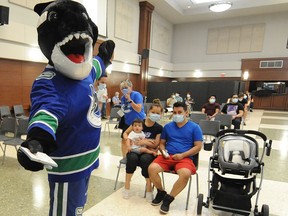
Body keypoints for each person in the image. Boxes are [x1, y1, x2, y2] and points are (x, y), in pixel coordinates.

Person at [16, 1, 116, 215]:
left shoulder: (86, 69)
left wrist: (104, 57)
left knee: (77, 208)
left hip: (88, 159)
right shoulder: (49, 82)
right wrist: (38, 139)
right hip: (69, 167)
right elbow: (46, 113)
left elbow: (96, 66)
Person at [148, 102, 203, 214]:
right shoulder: (168, 127)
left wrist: (183, 155)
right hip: (168, 156)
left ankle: (168, 198)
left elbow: (198, 147)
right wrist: (163, 151)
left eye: (179, 112)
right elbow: (162, 143)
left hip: (185, 157)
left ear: (186, 113)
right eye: (174, 112)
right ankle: (161, 191)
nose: (176, 115)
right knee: (151, 169)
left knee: (185, 174)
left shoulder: (195, 127)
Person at [122, 100, 163, 201]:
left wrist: (144, 142)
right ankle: (127, 186)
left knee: (145, 160)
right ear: (148, 112)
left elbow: (156, 144)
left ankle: (149, 188)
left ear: (161, 115)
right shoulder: (139, 123)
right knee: (131, 158)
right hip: (134, 149)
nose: (155, 115)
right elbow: (125, 133)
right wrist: (128, 142)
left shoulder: (159, 128)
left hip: (148, 152)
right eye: (153, 112)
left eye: (158, 113)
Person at [119, 79, 146, 160]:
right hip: (127, 122)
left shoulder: (136, 95)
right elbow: (123, 109)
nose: (124, 89)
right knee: (124, 140)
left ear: (131, 87)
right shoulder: (122, 97)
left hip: (138, 122)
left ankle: (136, 159)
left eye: (126, 87)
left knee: (137, 141)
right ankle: (125, 158)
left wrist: (130, 100)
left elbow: (138, 108)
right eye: (122, 88)